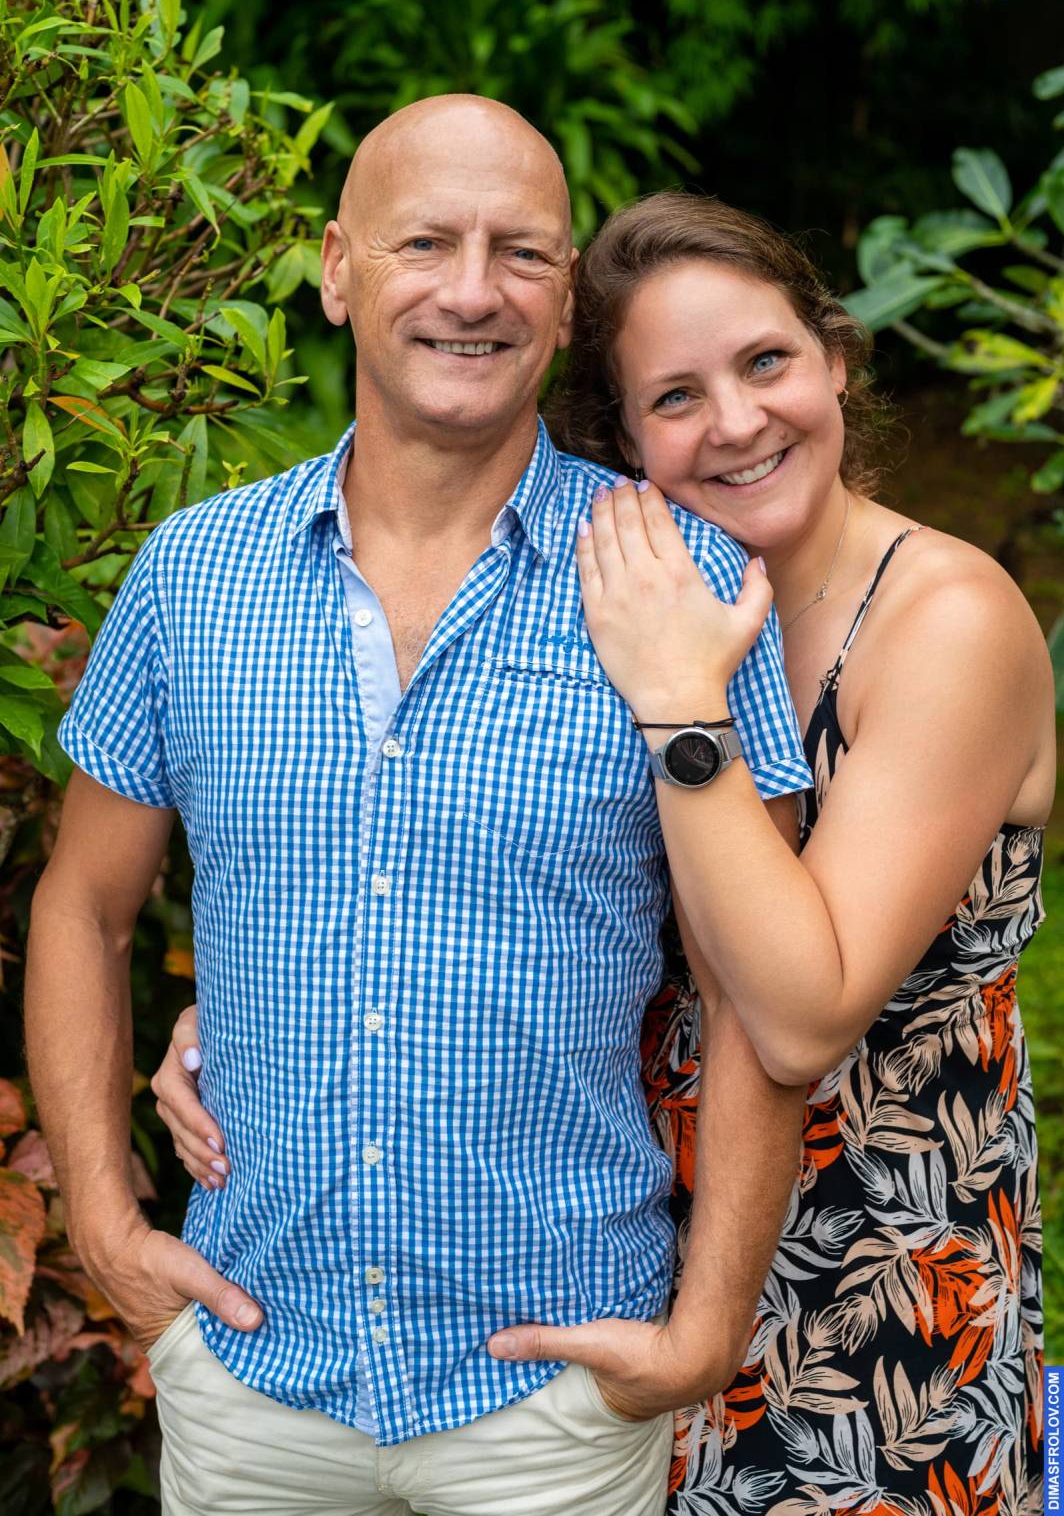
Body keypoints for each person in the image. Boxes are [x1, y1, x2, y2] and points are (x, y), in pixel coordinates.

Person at [156, 189, 1051, 1516]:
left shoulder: (944, 621)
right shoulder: (636, 591)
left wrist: (683, 707)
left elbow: (800, 1015)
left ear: (835, 360)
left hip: (873, 1282)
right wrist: (245, 1028)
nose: (736, 421)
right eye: (675, 397)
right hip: (628, 1266)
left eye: (766, 362)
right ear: (625, 437)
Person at [24, 103, 815, 1516]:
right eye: (426, 243)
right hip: (253, 1374)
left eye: (521, 253)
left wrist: (705, 1328)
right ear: (338, 271)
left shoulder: (675, 581)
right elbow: (83, 906)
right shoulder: (194, 578)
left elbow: (750, 988)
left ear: (565, 305)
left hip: (552, 1393)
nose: (472, 289)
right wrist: (102, 1218)